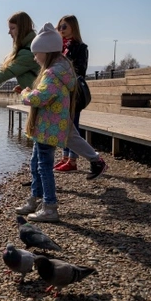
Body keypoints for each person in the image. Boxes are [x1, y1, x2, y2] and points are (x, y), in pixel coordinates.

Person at [15, 23, 76, 222]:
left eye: (36, 54)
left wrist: (25, 93)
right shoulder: (60, 70)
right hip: (48, 127)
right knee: (36, 164)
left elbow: (40, 98)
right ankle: (36, 198)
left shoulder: (52, 74)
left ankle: (49, 206)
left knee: (44, 167)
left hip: (47, 128)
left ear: (46, 52)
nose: (35, 58)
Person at [53, 15, 106, 179]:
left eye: (64, 26)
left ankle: (73, 160)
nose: (61, 29)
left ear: (73, 27)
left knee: (73, 124)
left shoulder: (80, 47)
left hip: (73, 91)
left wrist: (64, 66)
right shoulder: (59, 46)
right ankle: (65, 157)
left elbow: (80, 70)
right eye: (59, 27)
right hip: (61, 90)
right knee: (64, 124)